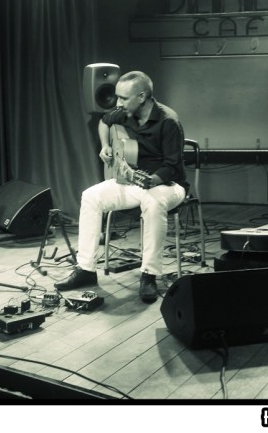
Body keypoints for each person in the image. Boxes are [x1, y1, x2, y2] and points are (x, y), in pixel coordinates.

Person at [55, 71, 188, 303]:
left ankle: (149, 275)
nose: (117, 103)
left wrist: (152, 181)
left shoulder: (168, 121)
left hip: (168, 185)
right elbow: (103, 122)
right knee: (90, 196)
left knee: (153, 201)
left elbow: (173, 167)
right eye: (117, 97)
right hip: (132, 182)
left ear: (142, 97)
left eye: (123, 98)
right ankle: (86, 269)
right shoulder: (124, 112)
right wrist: (105, 146)